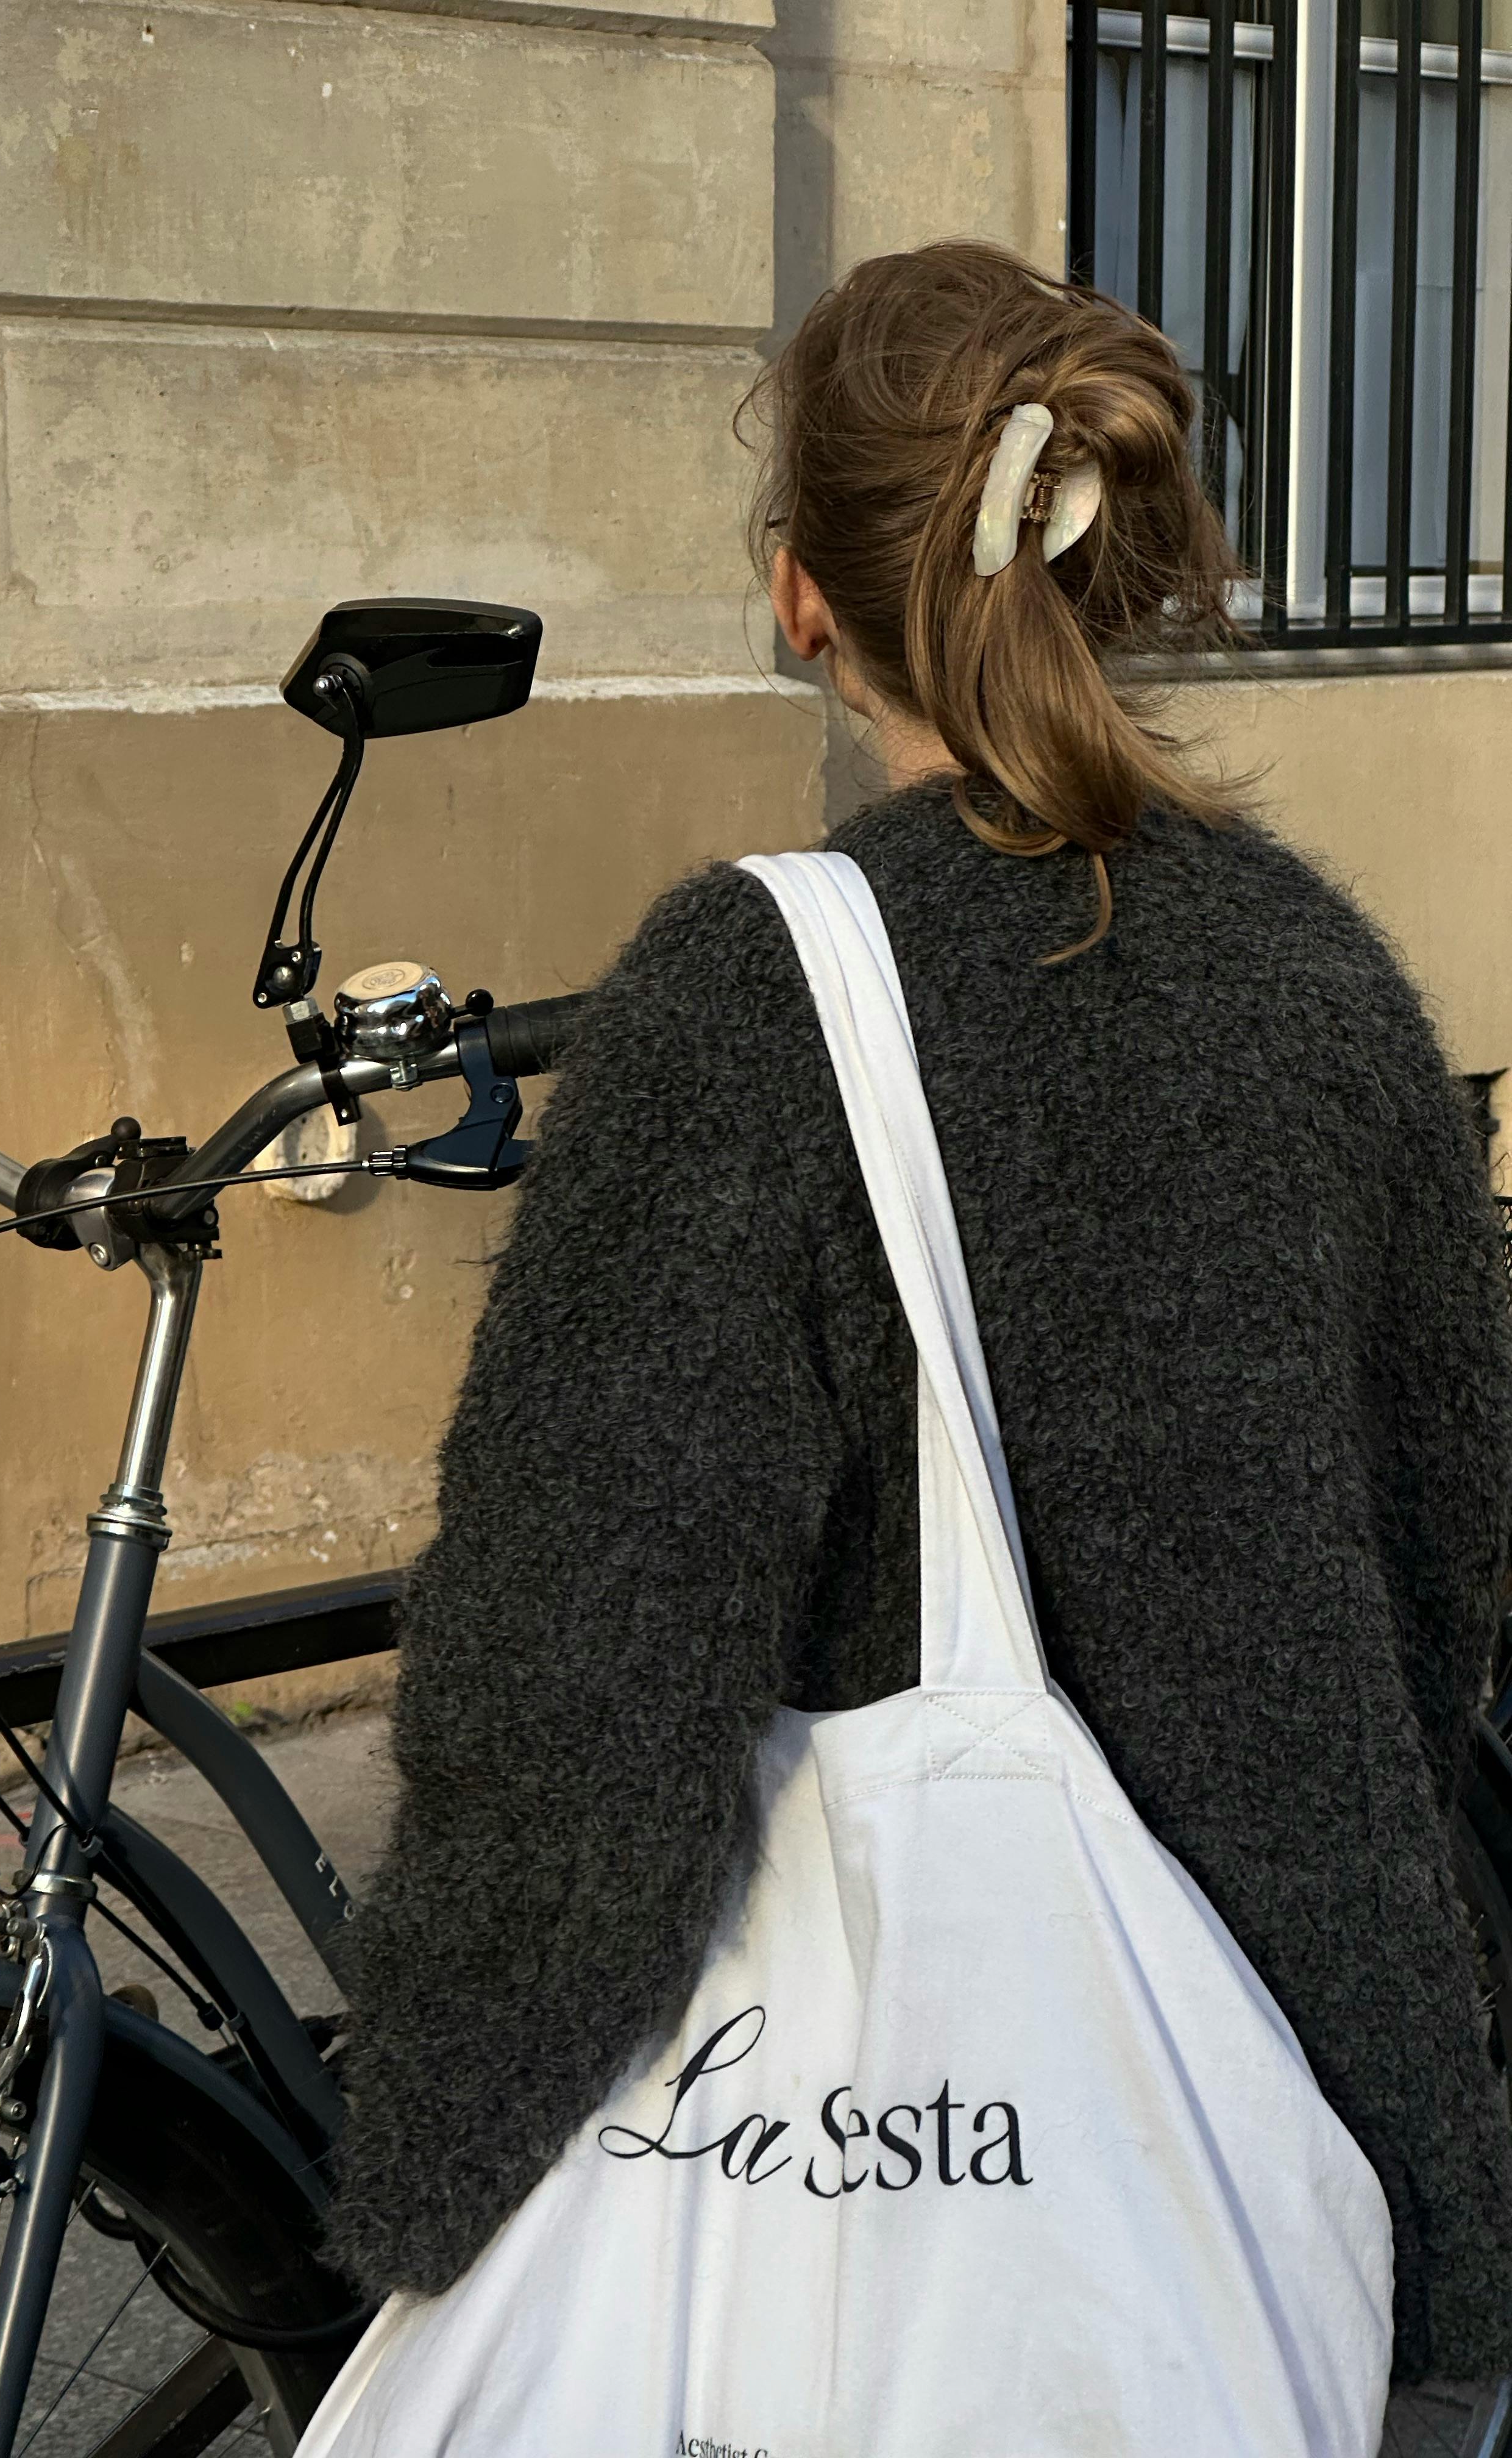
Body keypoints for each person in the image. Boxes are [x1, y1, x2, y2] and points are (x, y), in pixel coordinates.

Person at [324, 240, 1512, 2393]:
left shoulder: (753, 998)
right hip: (1310, 2184)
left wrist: (429, 2170)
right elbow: (1432, 1593)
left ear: (803, 593)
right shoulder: (1328, 986)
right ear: (1131, 562)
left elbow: (581, 1686)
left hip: (862, 2235)